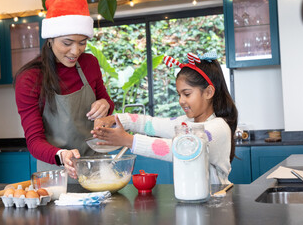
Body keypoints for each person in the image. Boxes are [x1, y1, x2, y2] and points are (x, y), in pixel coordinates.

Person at [91, 51, 238, 184]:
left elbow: (184, 148)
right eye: (179, 95)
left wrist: (128, 140)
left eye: (187, 94)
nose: (181, 101)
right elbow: (149, 123)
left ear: (208, 92)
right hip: (190, 199)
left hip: (217, 203)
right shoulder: (185, 123)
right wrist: (115, 119)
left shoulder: (219, 127)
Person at [14, 0, 114, 180]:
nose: (75, 51)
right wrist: (62, 155)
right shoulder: (29, 78)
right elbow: (34, 141)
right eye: (67, 43)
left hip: (97, 167)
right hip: (55, 174)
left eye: (82, 42)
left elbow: (106, 102)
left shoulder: (89, 63)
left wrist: (105, 104)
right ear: (50, 39)